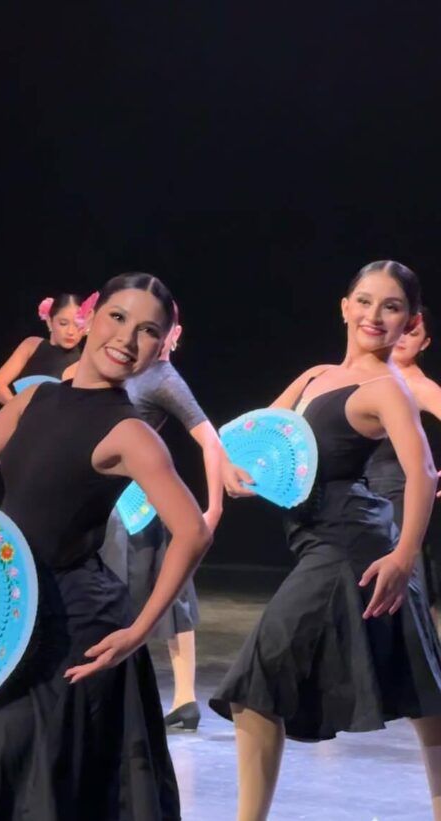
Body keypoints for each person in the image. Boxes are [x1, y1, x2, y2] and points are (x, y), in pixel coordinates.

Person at [0, 273, 212, 820]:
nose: (128, 338)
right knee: (33, 784)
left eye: (149, 331)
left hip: (80, 629)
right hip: (22, 615)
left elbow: (193, 532)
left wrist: (139, 631)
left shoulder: (132, 433)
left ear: (161, 346)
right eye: (118, 318)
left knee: (9, 775)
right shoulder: (34, 399)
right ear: (90, 317)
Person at [211, 261, 441, 821]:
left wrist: (403, 557)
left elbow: (423, 473)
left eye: (391, 307)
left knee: (257, 681)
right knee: (423, 694)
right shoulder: (316, 376)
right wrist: (232, 471)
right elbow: (258, 435)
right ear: (344, 306)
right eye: (365, 301)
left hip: (348, 549)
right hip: (323, 543)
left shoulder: (387, 388)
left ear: (409, 322)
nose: (374, 315)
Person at [99, 301, 226, 731]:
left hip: (140, 502)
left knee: (166, 593)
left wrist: (214, 507)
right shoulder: (128, 371)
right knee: (137, 592)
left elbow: (211, 441)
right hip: (115, 499)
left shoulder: (164, 378)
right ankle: (178, 698)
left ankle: (183, 696)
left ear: (174, 334)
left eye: (159, 328)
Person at [364, 307, 441, 621]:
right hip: (360, 493)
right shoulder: (374, 375)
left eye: (414, 333)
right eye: (402, 330)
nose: (403, 339)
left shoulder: (418, 385)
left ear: (425, 343)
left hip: (396, 498)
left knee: (402, 591)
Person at [0, 293, 89, 404]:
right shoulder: (31, 345)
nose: (70, 332)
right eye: (63, 323)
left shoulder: (84, 365)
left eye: (78, 325)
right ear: (50, 322)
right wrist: (19, 409)